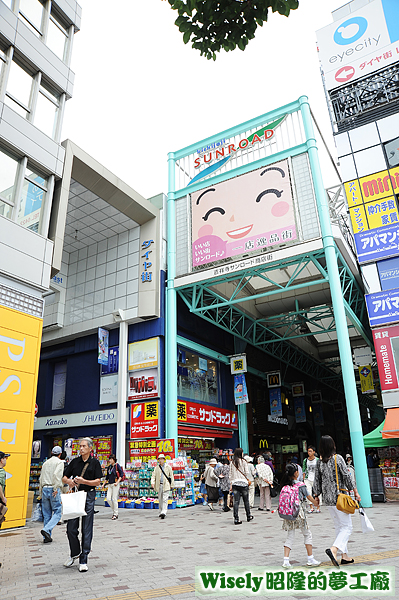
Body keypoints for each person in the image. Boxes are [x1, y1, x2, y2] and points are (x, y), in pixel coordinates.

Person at [312, 435, 361, 567]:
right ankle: (334, 550)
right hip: (339, 497)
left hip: (327, 500)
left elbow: (317, 480)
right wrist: (355, 491)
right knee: (347, 527)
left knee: (340, 526)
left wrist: (316, 495)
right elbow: (347, 476)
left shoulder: (319, 462)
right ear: (332, 445)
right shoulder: (337, 458)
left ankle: (345, 556)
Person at [62, 437, 103, 572]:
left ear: (90, 448)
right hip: (75, 495)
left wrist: (83, 481)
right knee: (71, 528)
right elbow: (64, 477)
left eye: (84, 446)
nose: (81, 448)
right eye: (80, 446)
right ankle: (75, 553)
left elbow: (98, 482)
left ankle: (84, 558)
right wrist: (70, 482)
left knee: (87, 528)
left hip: (89, 496)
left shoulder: (95, 463)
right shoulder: (74, 462)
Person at [280, 463, 321, 569]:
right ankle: (310, 558)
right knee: (307, 534)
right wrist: (316, 503)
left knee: (290, 536)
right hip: (299, 513)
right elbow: (309, 497)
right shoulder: (301, 485)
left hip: (289, 514)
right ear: (296, 473)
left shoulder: (285, 485)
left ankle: (286, 561)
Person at [38, 445, 64, 542]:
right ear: (60, 454)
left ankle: (46, 537)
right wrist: (57, 487)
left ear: (52, 453)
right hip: (53, 488)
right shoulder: (59, 463)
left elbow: (41, 478)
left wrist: (40, 492)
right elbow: (57, 475)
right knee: (57, 512)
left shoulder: (46, 463)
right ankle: (46, 529)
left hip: (44, 488)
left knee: (47, 513)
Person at [229, 448, 253, 525]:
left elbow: (230, 475)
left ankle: (236, 518)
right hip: (243, 483)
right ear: (240, 453)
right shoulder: (244, 462)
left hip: (235, 483)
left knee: (236, 501)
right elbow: (246, 472)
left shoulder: (232, 462)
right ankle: (248, 516)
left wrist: (231, 483)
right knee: (246, 501)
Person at [151, 453, 174, 519]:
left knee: (165, 499)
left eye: (161, 459)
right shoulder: (156, 468)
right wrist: (152, 482)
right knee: (160, 499)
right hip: (159, 485)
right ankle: (161, 511)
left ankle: (164, 512)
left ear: (164, 460)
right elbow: (153, 476)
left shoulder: (168, 467)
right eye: (159, 459)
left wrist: (172, 484)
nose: (160, 460)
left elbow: (171, 476)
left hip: (166, 485)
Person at [102, 454, 122, 520]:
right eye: (109, 459)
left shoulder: (117, 466)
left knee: (114, 498)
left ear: (114, 459)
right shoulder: (109, 467)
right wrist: (103, 484)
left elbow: (121, 474)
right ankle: (115, 511)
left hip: (115, 484)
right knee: (108, 498)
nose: (110, 460)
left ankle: (115, 514)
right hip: (109, 485)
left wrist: (117, 482)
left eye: (111, 459)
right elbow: (107, 477)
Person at [302, 446, 321, 514]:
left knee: (317, 493)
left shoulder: (317, 460)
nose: (309, 452)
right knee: (308, 493)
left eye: (310, 451)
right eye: (308, 451)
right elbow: (304, 470)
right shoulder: (305, 460)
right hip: (308, 478)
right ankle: (311, 507)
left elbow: (320, 470)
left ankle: (318, 507)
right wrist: (304, 479)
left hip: (316, 478)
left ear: (314, 452)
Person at [0, 451, 10, 528]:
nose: (6, 460)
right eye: (5, 458)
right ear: (1, 460)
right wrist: (3, 498)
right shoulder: (1, 471)